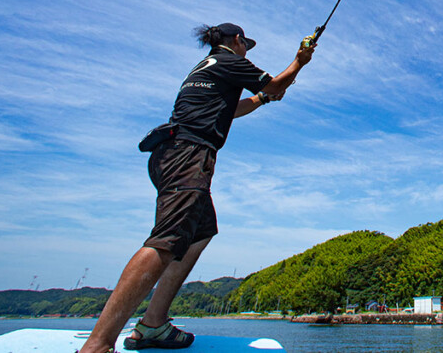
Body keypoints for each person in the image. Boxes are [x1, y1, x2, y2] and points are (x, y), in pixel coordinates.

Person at [78, 22, 314, 353]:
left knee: (200, 232)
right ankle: (98, 344)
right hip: (189, 156)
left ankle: (153, 323)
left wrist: (261, 98)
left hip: (171, 153)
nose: (247, 50)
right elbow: (277, 83)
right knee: (166, 240)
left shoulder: (207, 67)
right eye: (246, 44)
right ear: (237, 41)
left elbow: (233, 109)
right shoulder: (231, 61)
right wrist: (300, 62)